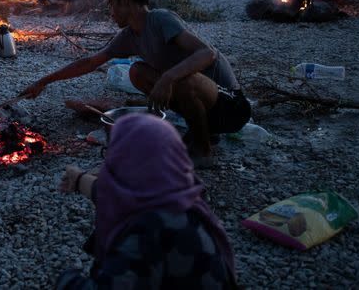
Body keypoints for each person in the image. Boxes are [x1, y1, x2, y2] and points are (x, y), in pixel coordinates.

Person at [20, 0, 251, 165]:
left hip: (231, 107)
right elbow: (90, 62)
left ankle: (204, 152)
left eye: (112, 4)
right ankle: (202, 130)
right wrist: (44, 81)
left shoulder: (160, 19)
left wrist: (168, 77)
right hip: (208, 106)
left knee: (180, 80)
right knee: (137, 72)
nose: (110, 12)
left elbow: (207, 53)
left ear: (127, 2)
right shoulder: (129, 36)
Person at [55, 114, 237, 290]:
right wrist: (79, 179)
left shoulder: (150, 228)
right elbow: (110, 193)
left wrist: (67, 279)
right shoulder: (181, 196)